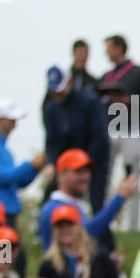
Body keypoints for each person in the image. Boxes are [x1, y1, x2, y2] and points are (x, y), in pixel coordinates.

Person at [39, 149, 138, 256]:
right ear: (61, 175)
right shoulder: (54, 208)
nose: (85, 177)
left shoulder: (75, 205)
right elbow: (86, 233)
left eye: (87, 171)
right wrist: (119, 198)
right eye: (78, 171)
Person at [42, 65, 110, 213]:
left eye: (60, 89)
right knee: (52, 196)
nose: (57, 94)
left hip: (94, 162)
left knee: (97, 205)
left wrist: (83, 164)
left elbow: (100, 137)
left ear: (70, 82)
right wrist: (51, 163)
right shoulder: (50, 109)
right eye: (53, 90)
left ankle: (101, 235)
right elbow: (52, 141)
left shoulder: (90, 102)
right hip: (67, 165)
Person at [0, 100, 46, 231]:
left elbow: (17, 183)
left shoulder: (4, 149)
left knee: (8, 250)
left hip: (7, 214)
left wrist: (35, 168)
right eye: (10, 119)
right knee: (3, 250)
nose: (15, 123)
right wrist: (29, 164)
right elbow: (0, 176)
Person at [96, 35, 140, 181]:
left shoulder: (138, 72)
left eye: (108, 48)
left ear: (119, 48)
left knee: (131, 173)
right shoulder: (106, 76)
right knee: (105, 172)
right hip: (109, 130)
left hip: (131, 129)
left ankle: (132, 203)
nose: (106, 53)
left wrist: (127, 101)